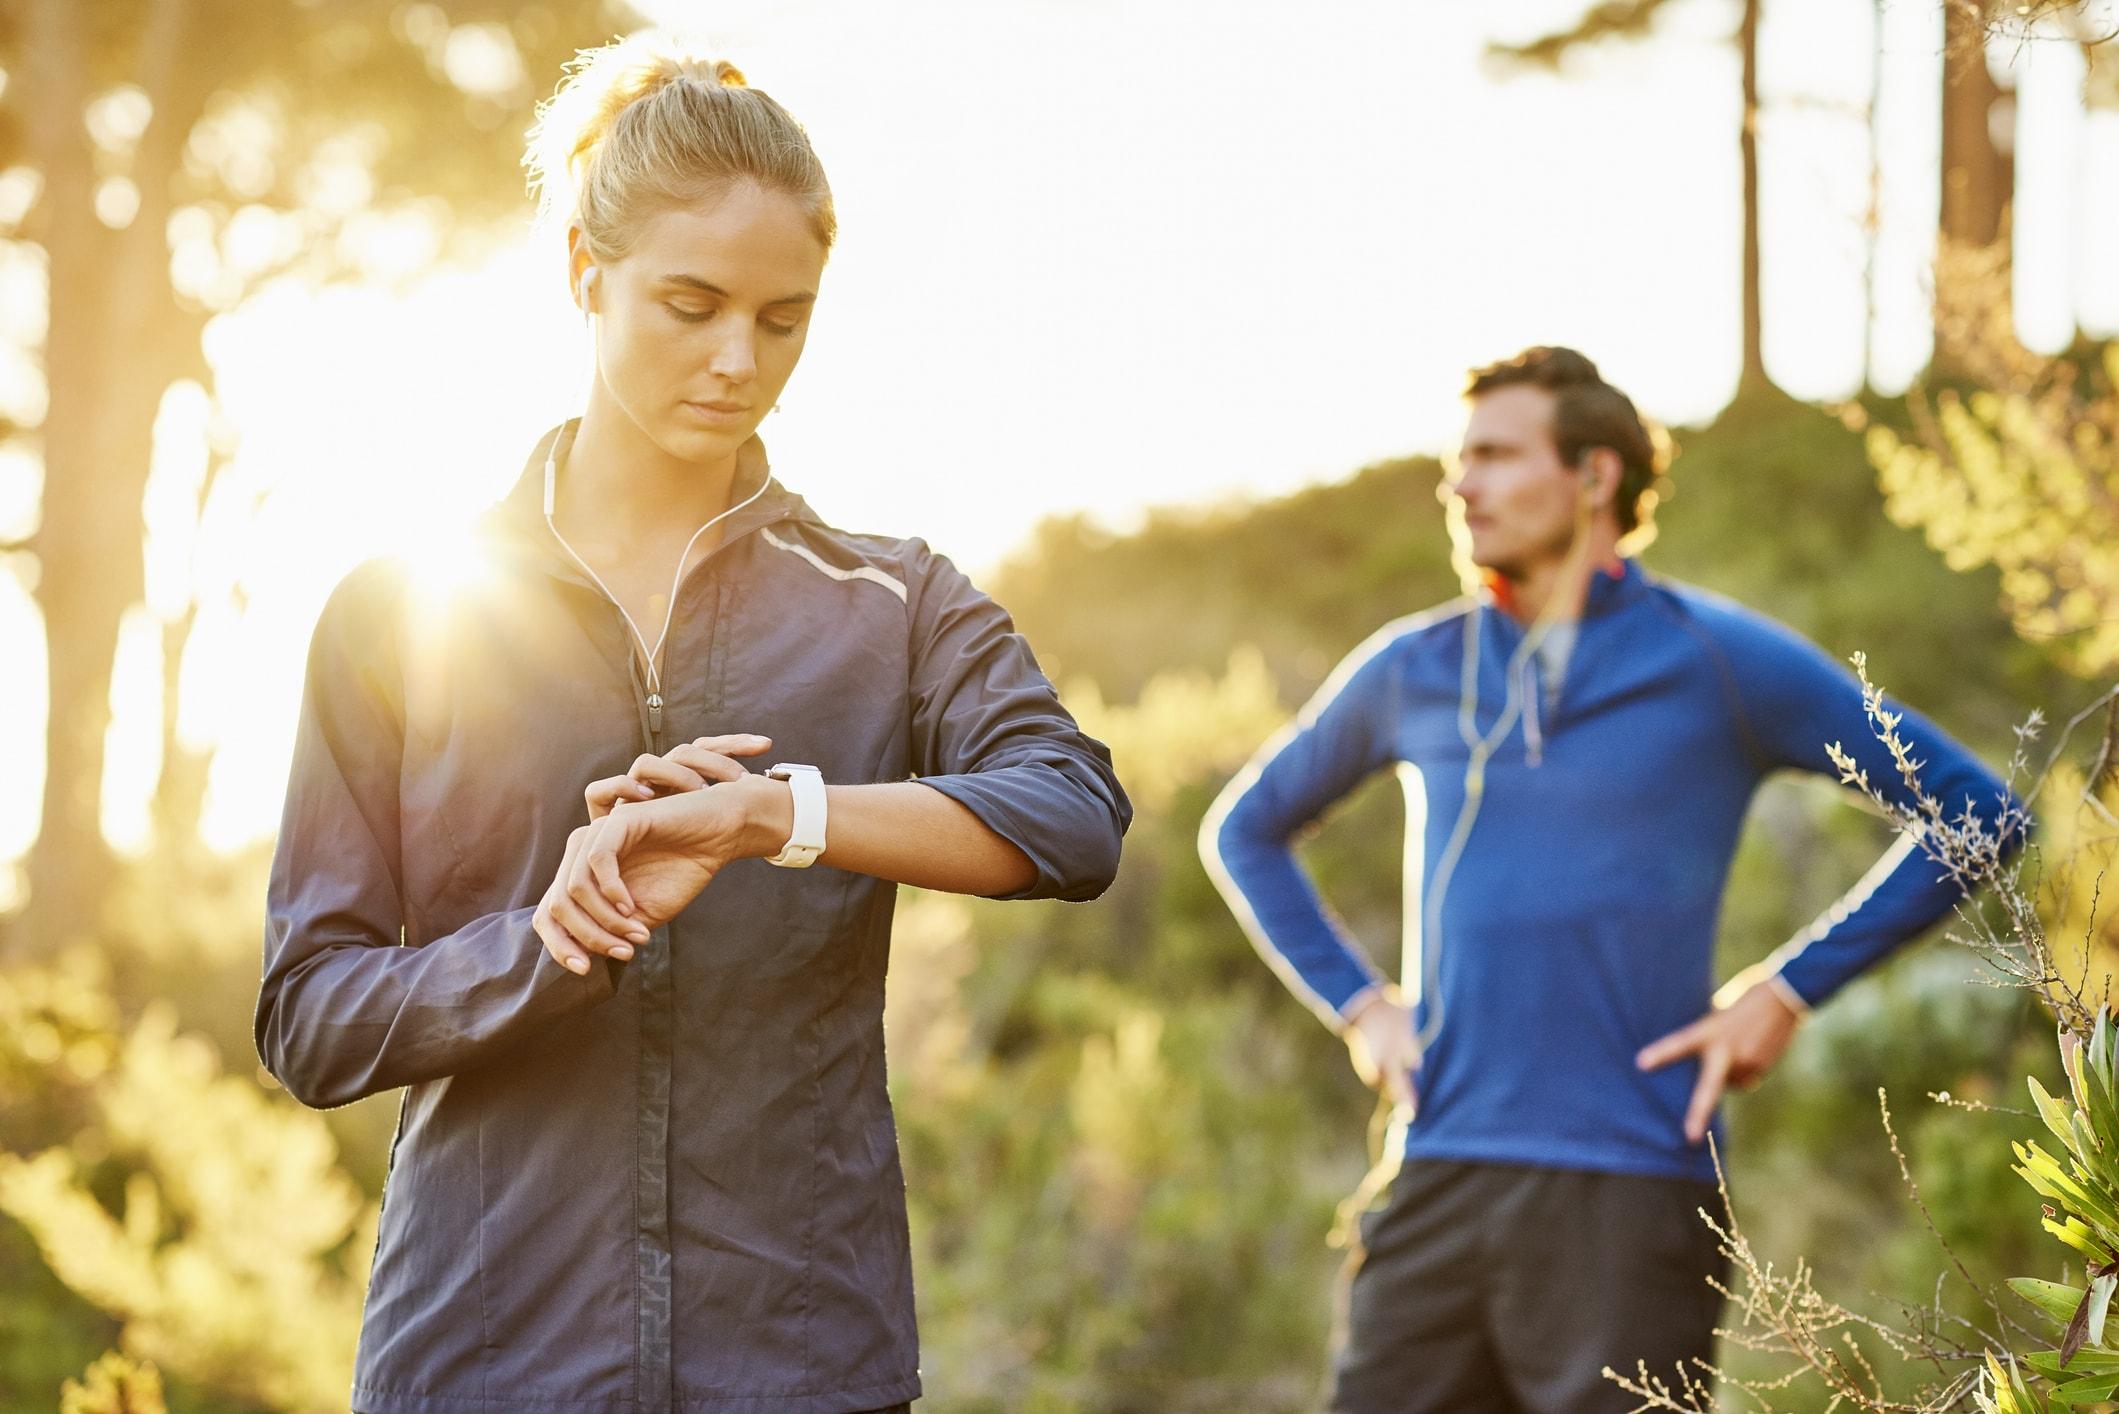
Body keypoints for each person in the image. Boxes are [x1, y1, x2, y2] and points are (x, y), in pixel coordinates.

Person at [253, 35, 1129, 1414]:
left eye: (782, 318)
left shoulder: (890, 599)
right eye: (690, 302)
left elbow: (1073, 816)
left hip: (800, 1363)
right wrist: (545, 946)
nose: (737, 358)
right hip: (481, 1368)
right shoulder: (399, 610)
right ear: (584, 278)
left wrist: (782, 815)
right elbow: (309, 1018)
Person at [1198, 346, 2022, 1412]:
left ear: (1593, 476)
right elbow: (1244, 830)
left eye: (1495, 456)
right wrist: (1360, 1007)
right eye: (1459, 460)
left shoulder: (1717, 657)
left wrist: (1783, 992)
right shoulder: (1414, 664)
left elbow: (1976, 812)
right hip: (1438, 1169)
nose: (1461, 485)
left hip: (1632, 1189)